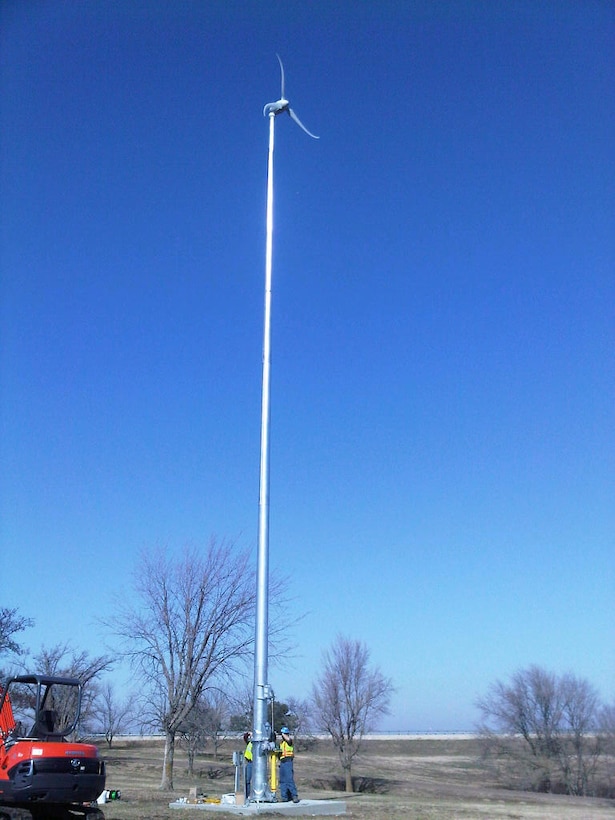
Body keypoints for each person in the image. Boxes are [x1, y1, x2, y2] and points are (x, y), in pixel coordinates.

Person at [278, 726, 299, 803]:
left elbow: (288, 740)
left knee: (289, 779)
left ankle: (294, 795)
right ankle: (284, 797)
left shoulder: (289, 741)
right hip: (282, 762)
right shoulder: (282, 743)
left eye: (283, 734)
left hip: (288, 762)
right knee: (282, 780)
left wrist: (284, 734)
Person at [243, 732, 252, 799]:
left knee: (251, 780)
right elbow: (245, 738)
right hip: (248, 763)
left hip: (253, 763)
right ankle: (247, 795)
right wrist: (248, 733)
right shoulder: (249, 743)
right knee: (247, 780)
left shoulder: (256, 744)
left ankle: (250, 795)